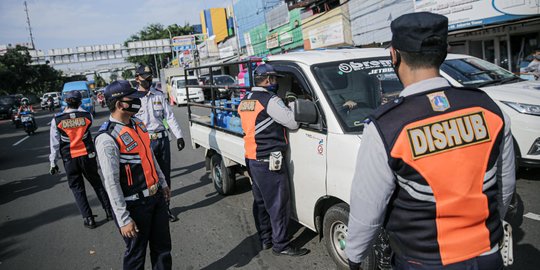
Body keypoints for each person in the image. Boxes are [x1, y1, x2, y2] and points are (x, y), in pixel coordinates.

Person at [345, 12, 516, 270]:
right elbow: (505, 186)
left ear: (394, 55)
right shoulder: (489, 108)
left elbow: (368, 209)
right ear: (444, 53)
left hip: (423, 261)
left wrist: (355, 256)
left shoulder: (387, 126)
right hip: (487, 254)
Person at [95, 80, 172, 270]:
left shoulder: (138, 123)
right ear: (120, 104)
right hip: (134, 206)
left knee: (163, 250)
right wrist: (123, 219)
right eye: (133, 98)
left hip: (155, 198)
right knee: (136, 257)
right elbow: (111, 182)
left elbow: (150, 156)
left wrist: (162, 183)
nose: (138, 101)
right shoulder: (107, 137)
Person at [237, 63, 309, 257]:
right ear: (268, 80)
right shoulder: (270, 100)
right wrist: (291, 103)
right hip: (269, 159)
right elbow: (292, 122)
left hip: (252, 158)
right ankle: (282, 244)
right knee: (278, 204)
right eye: (275, 79)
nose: (276, 82)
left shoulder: (246, 100)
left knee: (260, 202)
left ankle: (265, 239)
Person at [49, 91, 113, 229]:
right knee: (97, 184)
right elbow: (84, 118)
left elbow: (54, 143)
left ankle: (89, 219)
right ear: (79, 102)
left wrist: (53, 162)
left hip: (69, 159)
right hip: (87, 156)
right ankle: (109, 211)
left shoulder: (57, 119)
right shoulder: (87, 115)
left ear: (66, 101)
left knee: (78, 189)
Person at [134, 65, 185, 222]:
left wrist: (179, 136)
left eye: (150, 76)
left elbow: (169, 116)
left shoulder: (158, 95)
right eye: (145, 77)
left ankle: (166, 208)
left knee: (165, 176)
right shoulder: (133, 98)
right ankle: (149, 209)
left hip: (162, 140)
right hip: (144, 142)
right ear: (137, 78)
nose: (148, 80)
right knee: (148, 177)